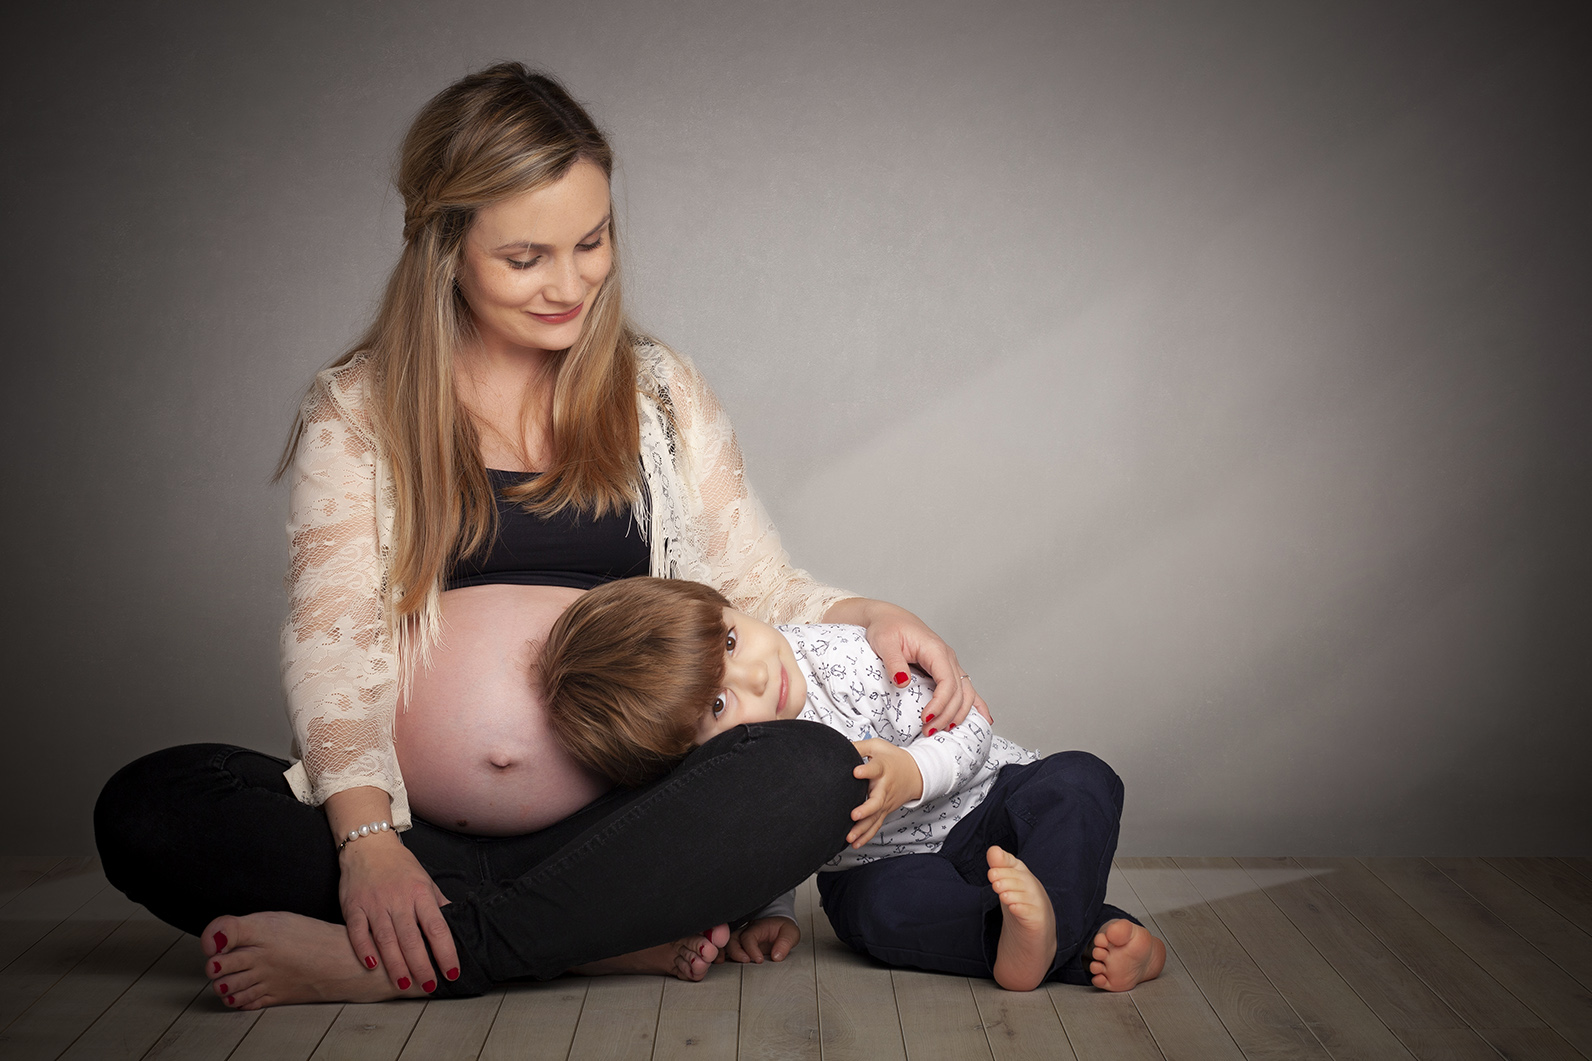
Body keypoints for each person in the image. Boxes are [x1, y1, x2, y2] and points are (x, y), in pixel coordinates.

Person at [92, 62, 992, 1009]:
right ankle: (587, 935)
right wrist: (367, 847)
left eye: (592, 242)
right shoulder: (358, 409)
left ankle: (430, 954)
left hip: (623, 825)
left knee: (809, 770)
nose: (571, 284)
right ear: (445, 249)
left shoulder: (658, 394)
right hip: (411, 830)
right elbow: (333, 639)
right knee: (152, 807)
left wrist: (872, 612)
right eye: (527, 259)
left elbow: (754, 589)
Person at [540, 577, 1167, 991]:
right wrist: (776, 907)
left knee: (1080, 779)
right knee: (869, 915)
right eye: (718, 706)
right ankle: (1060, 940)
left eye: (731, 641)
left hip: (993, 803)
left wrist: (912, 774)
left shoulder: (839, 657)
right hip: (889, 866)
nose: (757, 676)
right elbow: (769, 834)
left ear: (725, 605)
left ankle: (1051, 930)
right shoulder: (743, 762)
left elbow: (968, 719)